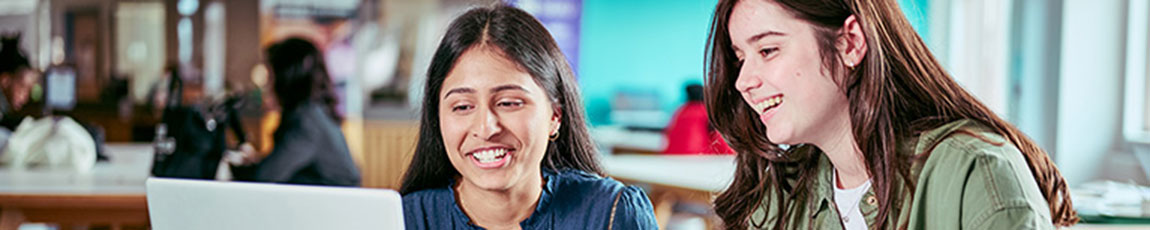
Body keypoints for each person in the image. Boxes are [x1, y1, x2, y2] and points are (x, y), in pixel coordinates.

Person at [704, 0, 1076, 229]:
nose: (743, 82)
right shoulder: (780, 194)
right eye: (740, 59)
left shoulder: (975, 173)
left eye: (768, 50)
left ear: (850, 42)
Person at [400, 5, 657, 230]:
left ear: (555, 115)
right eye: (462, 107)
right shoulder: (404, 219)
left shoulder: (611, 214)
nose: (486, 128)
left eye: (509, 103)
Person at [239, 38, 360, 186]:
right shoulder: (311, 111)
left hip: (331, 206)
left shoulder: (306, 121)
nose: (267, 85)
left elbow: (265, 176)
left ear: (285, 77)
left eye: (270, 76)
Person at [663, 83, 734, 154]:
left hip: (673, 154)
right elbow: (717, 137)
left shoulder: (680, 111)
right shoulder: (705, 112)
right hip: (698, 156)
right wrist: (731, 153)